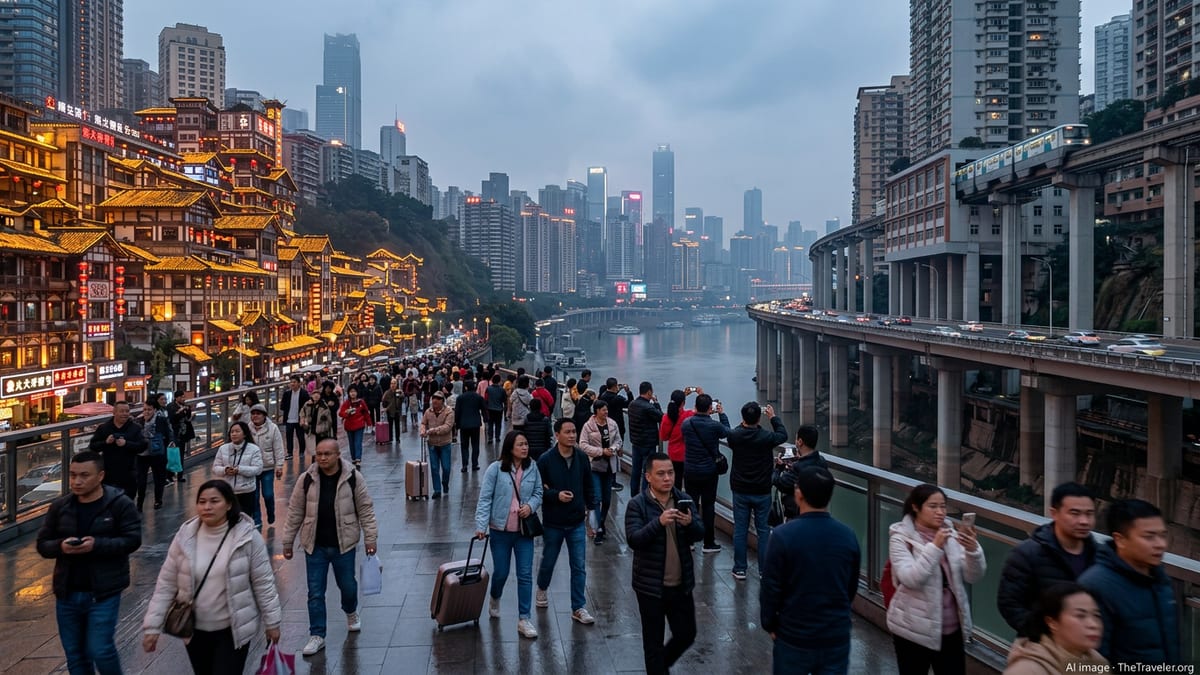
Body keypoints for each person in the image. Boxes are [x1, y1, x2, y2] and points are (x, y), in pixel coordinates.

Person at [142, 480, 282, 673]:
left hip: (233, 630)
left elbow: (264, 582)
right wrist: (152, 627)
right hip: (194, 631)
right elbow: (166, 583)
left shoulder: (247, 537)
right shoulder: (185, 536)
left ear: (229, 504)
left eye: (214, 501)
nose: (207, 507)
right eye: (202, 501)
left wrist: (272, 622)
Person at [36, 451, 142, 675]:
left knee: (100, 649)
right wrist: (60, 547)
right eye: (73, 475)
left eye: (84, 475)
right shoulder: (60, 507)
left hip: (103, 591)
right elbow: (43, 544)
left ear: (100, 475)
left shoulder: (119, 504)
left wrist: (97, 545)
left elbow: (132, 540)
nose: (77, 481)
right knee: (75, 654)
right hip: (67, 592)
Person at [281, 439, 379, 657]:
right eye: (319, 454)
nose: (322, 458)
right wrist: (287, 541)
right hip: (314, 545)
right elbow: (295, 511)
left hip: (344, 544)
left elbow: (366, 509)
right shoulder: (307, 479)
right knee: (315, 592)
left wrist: (370, 539)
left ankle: (351, 610)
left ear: (338, 455)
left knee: (348, 586)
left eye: (327, 454)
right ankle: (317, 634)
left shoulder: (352, 477)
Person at [761, 466, 860, 674]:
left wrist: (770, 624)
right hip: (835, 634)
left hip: (793, 634)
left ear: (798, 494)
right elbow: (850, 587)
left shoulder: (782, 536)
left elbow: (771, 587)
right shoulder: (848, 536)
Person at [887, 483, 986, 675]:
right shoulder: (900, 538)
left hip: (952, 629)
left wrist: (973, 550)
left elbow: (973, 576)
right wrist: (935, 547)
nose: (940, 512)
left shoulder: (951, 534)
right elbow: (910, 578)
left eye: (943, 506)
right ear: (916, 507)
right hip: (913, 631)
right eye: (933, 506)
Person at [625, 452, 703, 674]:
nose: (667, 478)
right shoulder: (637, 505)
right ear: (648, 477)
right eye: (661, 474)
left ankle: (659, 666)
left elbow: (699, 533)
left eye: (670, 472)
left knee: (687, 634)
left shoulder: (683, 499)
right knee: (653, 643)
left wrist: (690, 524)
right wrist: (658, 523)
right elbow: (634, 539)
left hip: (681, 584)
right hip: (650, 587)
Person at [1078, 498, 1181, 666]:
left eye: (1163, 536)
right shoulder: (1095, 586)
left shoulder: (1160, 581)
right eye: (1149, 537)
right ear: (1120, 540)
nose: (1160, 544)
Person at [997, 482, 1098, 635]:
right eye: (1075, 513)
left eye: (1089, 514)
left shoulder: (1100, 555)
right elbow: (1009, 604)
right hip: (1045, 649)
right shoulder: (1026, 554)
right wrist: (1044, 635)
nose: (1084, 521)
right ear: (1054, 513)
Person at [474, 430, 544, 639]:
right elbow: (485, 498)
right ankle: (495, 596)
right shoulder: (496, 469)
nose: (525, 448)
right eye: (520, 444)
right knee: (502, 572)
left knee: (524, 574)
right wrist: (481, 525)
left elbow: (538, 492)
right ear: (510, 447)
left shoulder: (533, 468)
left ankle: (524, 618)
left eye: (526, 444)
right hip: (500, 530)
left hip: (524, 531)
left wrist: (530, 507)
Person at [534, 418, 596, 625]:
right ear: (557, 435)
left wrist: (592, 512)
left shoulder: (581, 457)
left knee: (578, 565)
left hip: (577, 520)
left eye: (574, 431)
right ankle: (542, 588)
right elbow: (537, 490)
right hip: (554, 522)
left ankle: (578, 607)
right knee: (549, 561)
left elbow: (588, 484)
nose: (572, 435)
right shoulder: (545, 460)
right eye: (567, 432)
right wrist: (555, 495)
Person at [727, 402, 788, 580]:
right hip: (761, 490)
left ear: (743, 417)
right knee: (763, 531)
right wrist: (773, 417)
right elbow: (783, 435)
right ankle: (764, 570)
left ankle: (740, 569)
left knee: (740, 529)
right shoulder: (766, 436)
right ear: (759, 417)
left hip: (740, 489)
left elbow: (733, 432)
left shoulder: (735, 436)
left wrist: (743, 423)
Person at [1002, 583, 1107, 675]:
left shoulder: (1098, 663)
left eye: (1096, 615)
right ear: (1052, 622)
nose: (1093, 624)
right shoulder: (1027, 670)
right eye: (1080, 615)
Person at [681, 394, 731, 555]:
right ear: (711, 408)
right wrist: (722, 414)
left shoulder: (686, 424)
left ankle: (689, 541)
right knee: (708, 507)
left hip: (690, 471)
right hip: (709, 472)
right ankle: (708, 543)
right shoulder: (714, 426)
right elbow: (728, 432)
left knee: (691, 505)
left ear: (695, 407)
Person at [579, 399, 623, 545]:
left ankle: (601, 522)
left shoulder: (612, 424)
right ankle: (597, 529)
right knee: (597, 498)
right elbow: (583, 445)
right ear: (596, 411)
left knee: (607, 499)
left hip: (609, 467)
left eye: (607, 410)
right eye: (603, 410)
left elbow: (618, 441)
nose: (606, 412)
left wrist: (614, 449)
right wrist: (600, 451)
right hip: (595, 467)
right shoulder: (588, 426)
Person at [88, 400, 145, 499]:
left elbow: (142, 446)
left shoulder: (135, 428)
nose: (125, 414)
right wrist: (105, 442)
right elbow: (93, 446)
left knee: (127, 501)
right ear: (114, 412)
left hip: (129, 473)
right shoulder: (104, 428)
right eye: (121, 411)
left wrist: (126, 444)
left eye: (127, 411)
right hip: (109, 473)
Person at [771, 425, 827, 522]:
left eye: (796, 439)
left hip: (798, 513)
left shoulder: (799, 467)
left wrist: (778, 468)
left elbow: (781, 483)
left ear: (800, 442)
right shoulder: (822, 461)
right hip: (818, 511)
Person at [212, 421, 264, 518]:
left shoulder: (254, 449)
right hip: (228, 491)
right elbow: (215, 468)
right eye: (232, 432)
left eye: (237, 431)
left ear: (244, 434)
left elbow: (257, 469)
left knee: (244, 519)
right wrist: (225, 470)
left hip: (246, 491)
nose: (234, 434)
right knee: (229, 519)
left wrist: (239, 470)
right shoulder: (223, 448)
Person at [249, 403, 284, 527]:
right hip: (252, 469)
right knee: (254, 495)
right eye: (253, 414)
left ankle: (271, 512)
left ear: (264, 415)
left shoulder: (273, 428)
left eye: (258, 414)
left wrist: (279, 465)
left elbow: (278, 448)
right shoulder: (247, 429)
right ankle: (257, 520)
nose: (255, 416)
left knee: (268, 494)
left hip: (267, 467)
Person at [626, 381, 663, 497]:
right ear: (649, 392)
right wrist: (656, 403)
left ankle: (634, 495)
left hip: (636, 442)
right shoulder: (648, 407)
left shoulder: (632, 404)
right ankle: (644, 497)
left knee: (636, 472)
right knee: (647, 473)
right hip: (648, 444)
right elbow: (661, 416)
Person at [135, 395, 172, 510]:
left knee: (158, 478)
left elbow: (169, 433)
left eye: (149, 409)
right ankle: (140, 503)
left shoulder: (161, 420)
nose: (146, 412)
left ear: (155, 410)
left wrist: (170, 442)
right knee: (141, 480)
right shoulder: (138, 421)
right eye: (145, 409)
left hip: (157, 454)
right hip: (142, 454)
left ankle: (158, 500)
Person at [420, 391, 455, 499]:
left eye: (438, 399)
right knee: (434, 468)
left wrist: (432, 430)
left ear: (442, 401)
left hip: (445, 443)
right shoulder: (428, 412)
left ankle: (445, 482)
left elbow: (447, 427)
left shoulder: (449, 412)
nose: (434, 401)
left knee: (446, 467)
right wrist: (422, 430)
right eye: (433, 398)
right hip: (432, 444)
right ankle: (437, 490)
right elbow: (423, 423)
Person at [659, 389, 694, 495]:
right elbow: (702, 409)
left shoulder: (666, 417)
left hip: (673, 454)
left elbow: (663, 437)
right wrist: (701, 393)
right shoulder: (688, 415)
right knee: (689, 483)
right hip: (686, 455)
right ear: (683, 403)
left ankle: (676, 503)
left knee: (676, 481)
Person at [455, 378, 486, 471]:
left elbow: (457, 412)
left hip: (464, 424)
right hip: (475, 424)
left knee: (464, 445)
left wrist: (457, 425)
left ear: (465, 387)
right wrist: (486, 419)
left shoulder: (460, 398)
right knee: (475, 445)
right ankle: (474, 464)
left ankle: (465, 465)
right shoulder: (478, 397)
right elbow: (484, 409)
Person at [166, 388, 194, 483]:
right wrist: (180, 411)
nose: (183, 398)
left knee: (181, 454)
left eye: (184, 397)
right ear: (176, 398)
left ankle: (180, 475)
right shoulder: (171, 406)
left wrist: (188, 411)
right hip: (175, 433)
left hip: (183, 433)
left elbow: (187, 418)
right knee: (173, 454)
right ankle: (170, 474)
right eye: (182, 397)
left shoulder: (185, 406)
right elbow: (172, 418)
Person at [338, 386, 370, 467]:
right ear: (348, 393)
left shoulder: (361, 402)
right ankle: (353, 458)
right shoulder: (346, 403)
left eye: (354, 391)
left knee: (358, 442)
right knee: (351, 443)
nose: (353, 393)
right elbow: (340, 413)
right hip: (349, 426)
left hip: (359, 425)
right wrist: (347, 413)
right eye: (351, 392)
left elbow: (366, 413)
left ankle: (358, 459)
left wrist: (369, 423)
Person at [280, 374, 308, 461]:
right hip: (289, 419)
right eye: (291, 382)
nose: (292, 384)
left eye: (294, 382)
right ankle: (289, 453)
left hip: (299, 419)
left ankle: (302, 452)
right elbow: (282, 406)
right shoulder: (287, 394)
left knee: (300, 436)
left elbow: (307, 406)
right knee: (289, 436)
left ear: (299, 383)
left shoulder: (304, 393)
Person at [485, 374, 506, 443]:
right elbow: (504, 400)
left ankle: (490, 437)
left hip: (490, 409)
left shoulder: (488, 389)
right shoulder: (502, 390)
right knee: (498, 424)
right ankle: (497, 437)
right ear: (499, 381)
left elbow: (486, 399)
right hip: (499, 409)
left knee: (490, 423)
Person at [381, 378, 403, 444]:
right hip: (389, 411)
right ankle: (390, 438)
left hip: (397, 410)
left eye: (394, 383)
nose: (393, 385)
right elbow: (383, 401)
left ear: (397, 384)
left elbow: (401, 400)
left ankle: (397, 438)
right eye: (392, 383)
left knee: (397, 425)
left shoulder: (399, 391)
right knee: (390, 425)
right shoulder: (387, 392)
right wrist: (386, 407)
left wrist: (401, 395)